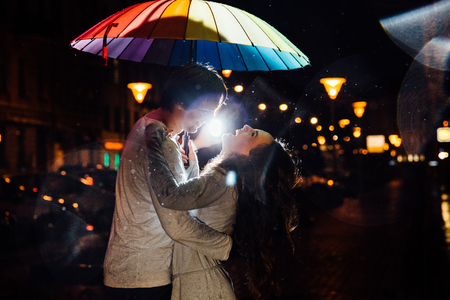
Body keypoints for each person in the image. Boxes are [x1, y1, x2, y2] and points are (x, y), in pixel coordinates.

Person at [103, 63, 233, 300]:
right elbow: (177, 222)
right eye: (205, 112)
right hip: (144, 276)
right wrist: (227, 245)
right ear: (180, 102)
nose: (207, 120)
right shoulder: (162, 142)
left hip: (134, 271)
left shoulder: (155, 131)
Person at [146, 125, 300, 300]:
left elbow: (170, 197)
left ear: (250, 157)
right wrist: (189, 166)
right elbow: (188, 208)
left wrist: (153, 145)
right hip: (200, 283)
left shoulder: (223, 178)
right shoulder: (226, 180)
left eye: (252, 134)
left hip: (202, 288)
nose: (246, 126)